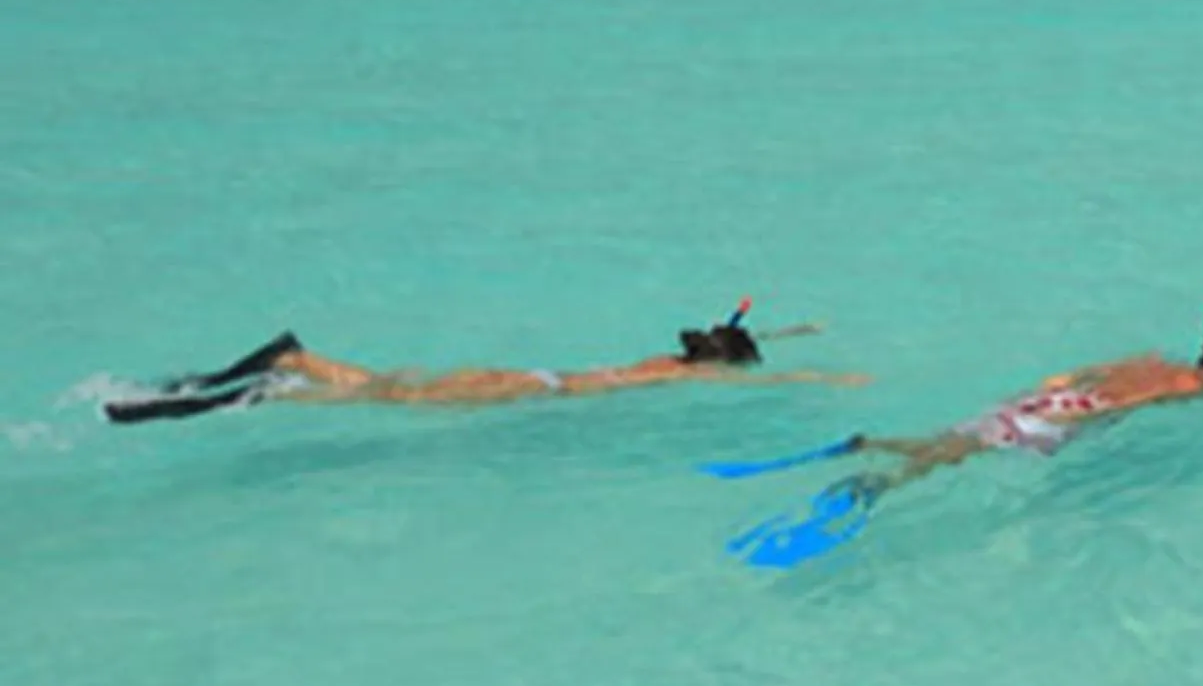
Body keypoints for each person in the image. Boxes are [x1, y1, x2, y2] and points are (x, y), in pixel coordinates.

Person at [717, 306, 1203, 568]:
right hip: (1058, 421)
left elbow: (1073, 376)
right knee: (953, 459)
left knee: (955, 441)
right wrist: (1079, 421)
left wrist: (1056, 398)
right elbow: (1138, 400)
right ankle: (875, 483)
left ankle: (872, 445)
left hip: (1038, 403)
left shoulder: (1149, 357)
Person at [100, 300, 862, 423]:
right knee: (388, 402)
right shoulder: (689, 370)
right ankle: (270, 384)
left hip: (529, 377)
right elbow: (776, 367)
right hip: (526, 390)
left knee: (383, 391)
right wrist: (829, 377)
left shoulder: (675, 355)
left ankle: (295, 359)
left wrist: (796, 328)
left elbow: (751, 344)